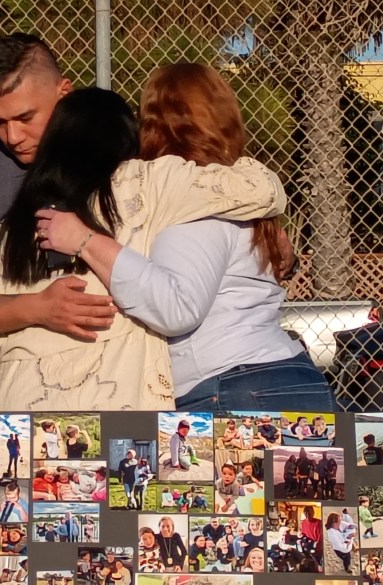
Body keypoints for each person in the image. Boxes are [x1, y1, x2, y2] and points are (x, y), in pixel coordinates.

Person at [0, 71, 287, 411]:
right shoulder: (145, 185)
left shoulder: (10, 228)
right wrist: (263, 225)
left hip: (18, 401)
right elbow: (260, 190)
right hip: (114, 396)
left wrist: (32, 327)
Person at [37, 63, 334, 413]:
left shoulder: (194, 199)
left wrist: (86, 240)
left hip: (231, 385)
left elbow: (177, 308)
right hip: (281, 376)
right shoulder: (235, 189)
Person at [0, 33, 118, 346]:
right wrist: (39, 307)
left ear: (64, 93)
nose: (13, 135)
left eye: (25, 117)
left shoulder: (115, 145)